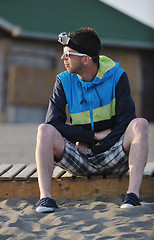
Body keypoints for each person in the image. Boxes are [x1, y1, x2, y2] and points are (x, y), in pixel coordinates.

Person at [35, 27, 148, 213]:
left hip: (113, 155)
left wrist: (94, 149)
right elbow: (53, 124)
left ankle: (132, 195)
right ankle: (46, 199)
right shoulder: (63, 81)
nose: (63, 58)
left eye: (67, 54)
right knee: (43, 131)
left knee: (140, 124)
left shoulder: (117, 77)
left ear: (85, 59)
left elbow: (126, 123)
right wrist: (91, 136)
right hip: (80, 157)